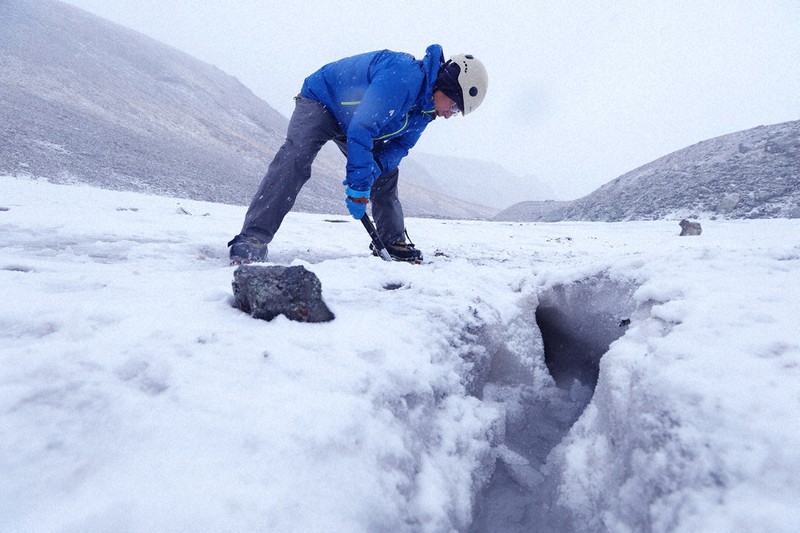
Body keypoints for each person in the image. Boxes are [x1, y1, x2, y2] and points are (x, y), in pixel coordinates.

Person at [228, 44, 488, 264]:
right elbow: (362, 129)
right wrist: (358, 187)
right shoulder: (403, 76)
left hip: (355, 122)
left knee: (385, 173)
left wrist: (373, 170)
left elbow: (398, 148)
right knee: (296, 157)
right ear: (447, 87)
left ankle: (392, 241)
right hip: (323, 101)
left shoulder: (426, 112)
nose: (449, 115)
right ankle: (253, 237)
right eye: (455, 106)